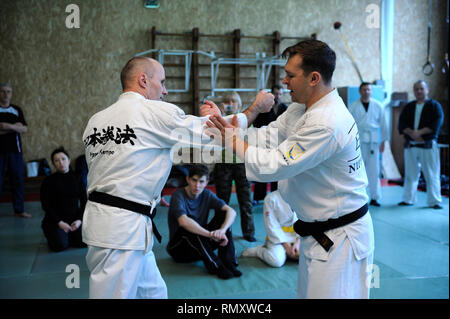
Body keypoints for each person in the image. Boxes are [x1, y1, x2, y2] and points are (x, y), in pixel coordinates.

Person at [81, 57, 273, 299]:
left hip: (115, 224)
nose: (165, 90)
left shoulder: (96, 121)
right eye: (161, 82)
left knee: (154, 294)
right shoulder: (151, 111)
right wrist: (255, 108)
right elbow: (213, 132)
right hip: (121, 230)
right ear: (143, 80)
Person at [202, 39, 375, 299]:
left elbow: (275, 164)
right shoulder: (301, 109)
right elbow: (266, 137)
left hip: (340, 239)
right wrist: (224, 126)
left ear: (314, 78)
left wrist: (230, 139)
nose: (284, 81)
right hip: (316, 232)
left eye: (290, 75)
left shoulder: (327, 122)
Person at [167, 164, 241, 279]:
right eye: (194, 180)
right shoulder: (178, 195)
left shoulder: (207, 194)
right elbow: (183, 221)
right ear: (187, 179)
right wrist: (210, 235)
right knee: (190, 224)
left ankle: (229, 262)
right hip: (179, 250)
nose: (197, 185)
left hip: (200, 245)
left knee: (224, 216)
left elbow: (232, 212)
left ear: (206, 183)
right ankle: (216, 265)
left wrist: (222, 230)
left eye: (201, 182)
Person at [213, 91, 255, 242]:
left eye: (234, 101)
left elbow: (251, 141)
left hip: (242, 164)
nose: (231, 104)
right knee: (221, 201)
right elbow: (213, 143)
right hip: (223, 164)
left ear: (239, 103)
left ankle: (248, 233)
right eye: (228, 101)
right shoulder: (219, 120)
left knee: (246, 201)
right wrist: (221, 117)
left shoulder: (246, 120)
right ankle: (220, 231)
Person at [397, 80, 444, 209]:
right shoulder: (409, 106)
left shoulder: (435, 106)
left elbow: (437, 124)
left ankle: (434, 201)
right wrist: (412, 133)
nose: (419, 91)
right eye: (416, 89)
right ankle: (408, 199)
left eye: (421, 89)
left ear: (427, 90)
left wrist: (419, 133)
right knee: (410, 174)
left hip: (428, 145)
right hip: (411, 145)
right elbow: (402, 124)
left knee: (432, 174)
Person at [348, 82, 388, 207]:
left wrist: (384, 141)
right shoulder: (353, 106)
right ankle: (358, 197)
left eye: (369, 90)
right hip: (358, 141)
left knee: (374, 170)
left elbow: (384, 125)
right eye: (364, 89)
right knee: (357, 170)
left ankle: (375, 197)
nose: (367, 92)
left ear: (371, 91)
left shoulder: (378, 105)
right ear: (360, 91)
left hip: (373, 141)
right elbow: (349, 126)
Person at [40, 147, 87, 252]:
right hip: (55, 220)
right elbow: (46, 205)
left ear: (69, 160)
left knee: (82, 243)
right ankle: (58, 235)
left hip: (75, 220)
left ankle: (71, 235)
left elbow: (85, 201)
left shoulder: (78, 178)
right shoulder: (48, 181)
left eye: (63, 159)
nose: (61, 162)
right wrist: (59, 222)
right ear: (53, 164)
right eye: (56, 160)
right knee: (60, 246)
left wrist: (79, 220)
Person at [242, 190, 300, 268]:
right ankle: (259, 251)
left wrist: (298, 242)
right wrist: (287, 246)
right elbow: (272, 226)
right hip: (279, 238)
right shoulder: (271, 198)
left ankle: (288, 254)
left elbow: (308, 222)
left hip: (300, 236)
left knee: (311, 256)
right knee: (277, 261)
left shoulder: (304, 195)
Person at [252, 84, 288, 205]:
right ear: (272, 94)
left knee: (277, 171)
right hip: (265, 143)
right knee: (263, 170)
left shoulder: (285, 109)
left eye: (280, 94)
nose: (278, 96)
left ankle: (275, 196)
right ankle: (258, 197)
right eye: (276, 93)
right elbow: (256, 124)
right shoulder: (265, 108)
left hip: (279, 145)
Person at [0, 83, 31, 219]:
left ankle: (19, 210)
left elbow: (24, 129)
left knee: (17, 180)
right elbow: (19, 128)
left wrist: (6, 126)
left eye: (9, 92)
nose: (6, 94)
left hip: (15, 151)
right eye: (3, 91)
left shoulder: (16, 110)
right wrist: (15, 127)